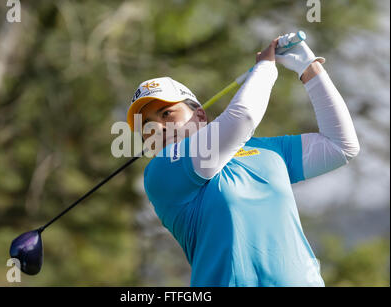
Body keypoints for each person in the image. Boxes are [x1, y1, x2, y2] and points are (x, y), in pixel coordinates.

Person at [125, 33, 360, 286]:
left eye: (167, 114)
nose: (158, 129)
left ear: (200, 115)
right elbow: (243, 118)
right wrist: (266, 68)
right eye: (146, 126)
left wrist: (307, 66)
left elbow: (340, 147)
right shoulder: (160, 173)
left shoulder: (266, 151)